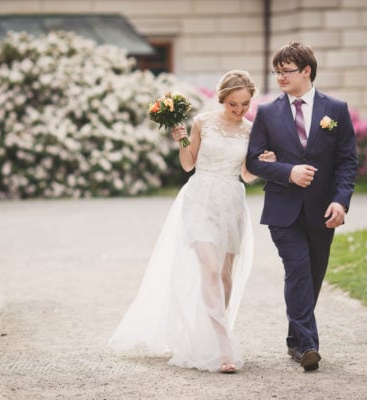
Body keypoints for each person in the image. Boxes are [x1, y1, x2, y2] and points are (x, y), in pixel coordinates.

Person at [109, 70, 276, 373]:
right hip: (200, 197)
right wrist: (182, 139)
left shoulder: (251, 130)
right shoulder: (202, 122)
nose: (239, 110)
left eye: (244, 104)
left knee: (225, 275)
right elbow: (189, 164)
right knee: (210, 269)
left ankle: (215, 334)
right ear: (222, 98)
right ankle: (225, 348)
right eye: (233, 104)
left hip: (231, 201)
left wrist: (264, 164)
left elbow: (246, 175)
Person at [246, 42, 358, 371]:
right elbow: (253, 160)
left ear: (306, 71)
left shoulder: (336, 109)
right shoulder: (267, 112)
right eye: (276, 71)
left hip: (323, 210)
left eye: (286, 71)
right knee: (297, 272)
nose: (280, 76)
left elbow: (347, 162)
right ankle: (308, 346)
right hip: (283, 210)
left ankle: (295, 340)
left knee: (312, 277)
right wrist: (288, 172)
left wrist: (341, 201)